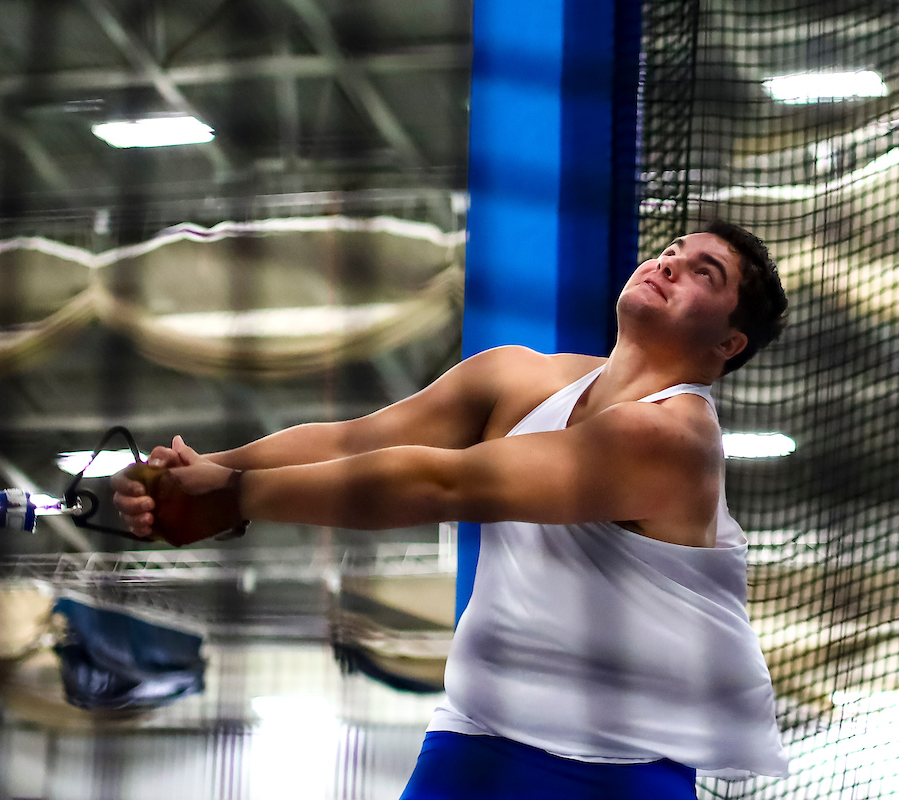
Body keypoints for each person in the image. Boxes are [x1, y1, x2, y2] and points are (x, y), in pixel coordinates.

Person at [112, 219, 791, 798]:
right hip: (477, 739)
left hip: (620, 769)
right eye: (671, 250)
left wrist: (236, 497)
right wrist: (208, 474)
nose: (669, 264)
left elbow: (445, 484)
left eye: (704, 272)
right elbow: (359, 439)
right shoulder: (519, 378)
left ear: (728, 345)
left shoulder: (673, 439)